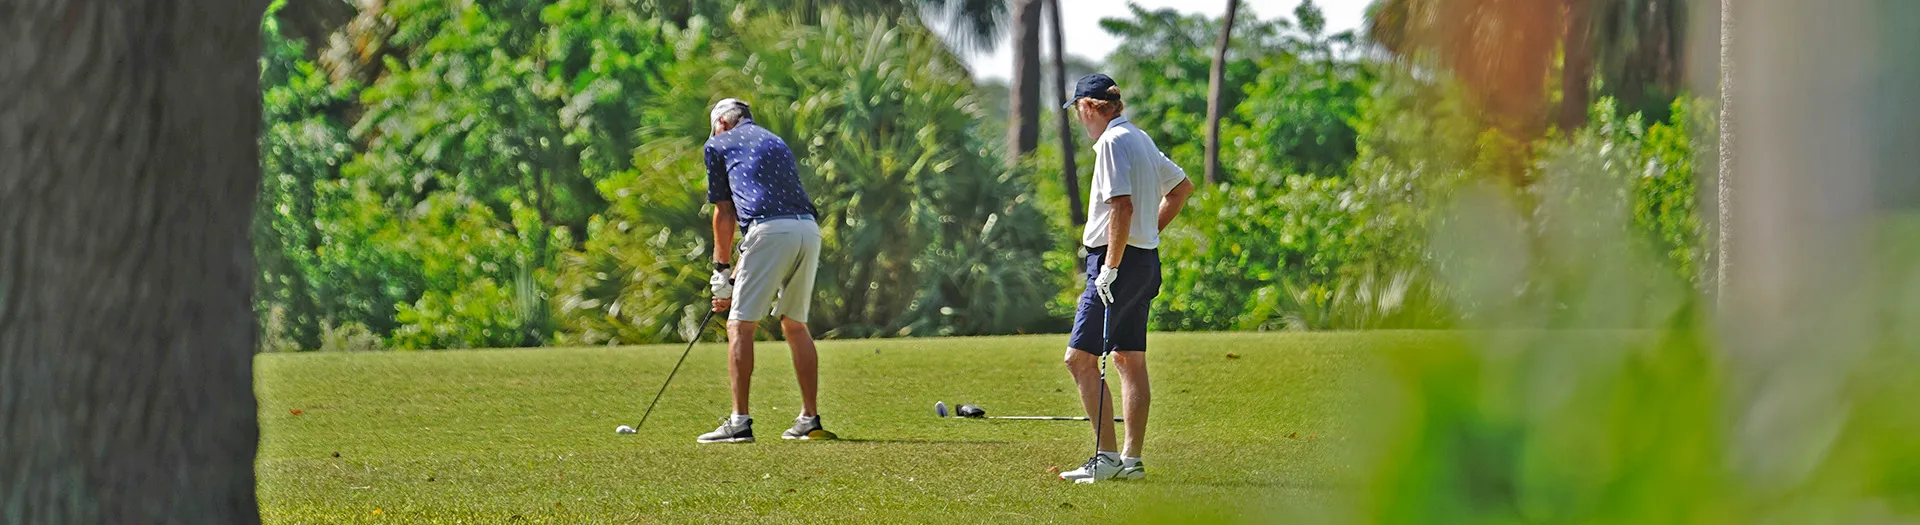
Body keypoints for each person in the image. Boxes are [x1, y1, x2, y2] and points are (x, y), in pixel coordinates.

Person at [1055, 74, 1194, 482]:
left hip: (1116, 265)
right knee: (1128, 359)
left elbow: (1121, 207)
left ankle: (1107, 457)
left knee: (1078, 360)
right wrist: (1146, 238)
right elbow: (1182, 188)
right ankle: (1130, 462)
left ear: (1089, 107)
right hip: (1144, 262)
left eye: (1079, 111)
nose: (1079, 120)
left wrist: (1112, 266)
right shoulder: (1139, 137)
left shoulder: (1113, 143)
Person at [697, 98, 833, 443]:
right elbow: (764, 218)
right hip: (807, 230)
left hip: (769, 231)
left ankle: (738, 423)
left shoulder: (717, 144)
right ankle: (808, 420)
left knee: (739, 326)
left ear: (722, 124)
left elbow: (725, 213)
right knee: (795, 324)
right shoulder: (773, 140)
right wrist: (733, 276)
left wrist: (720, 270)